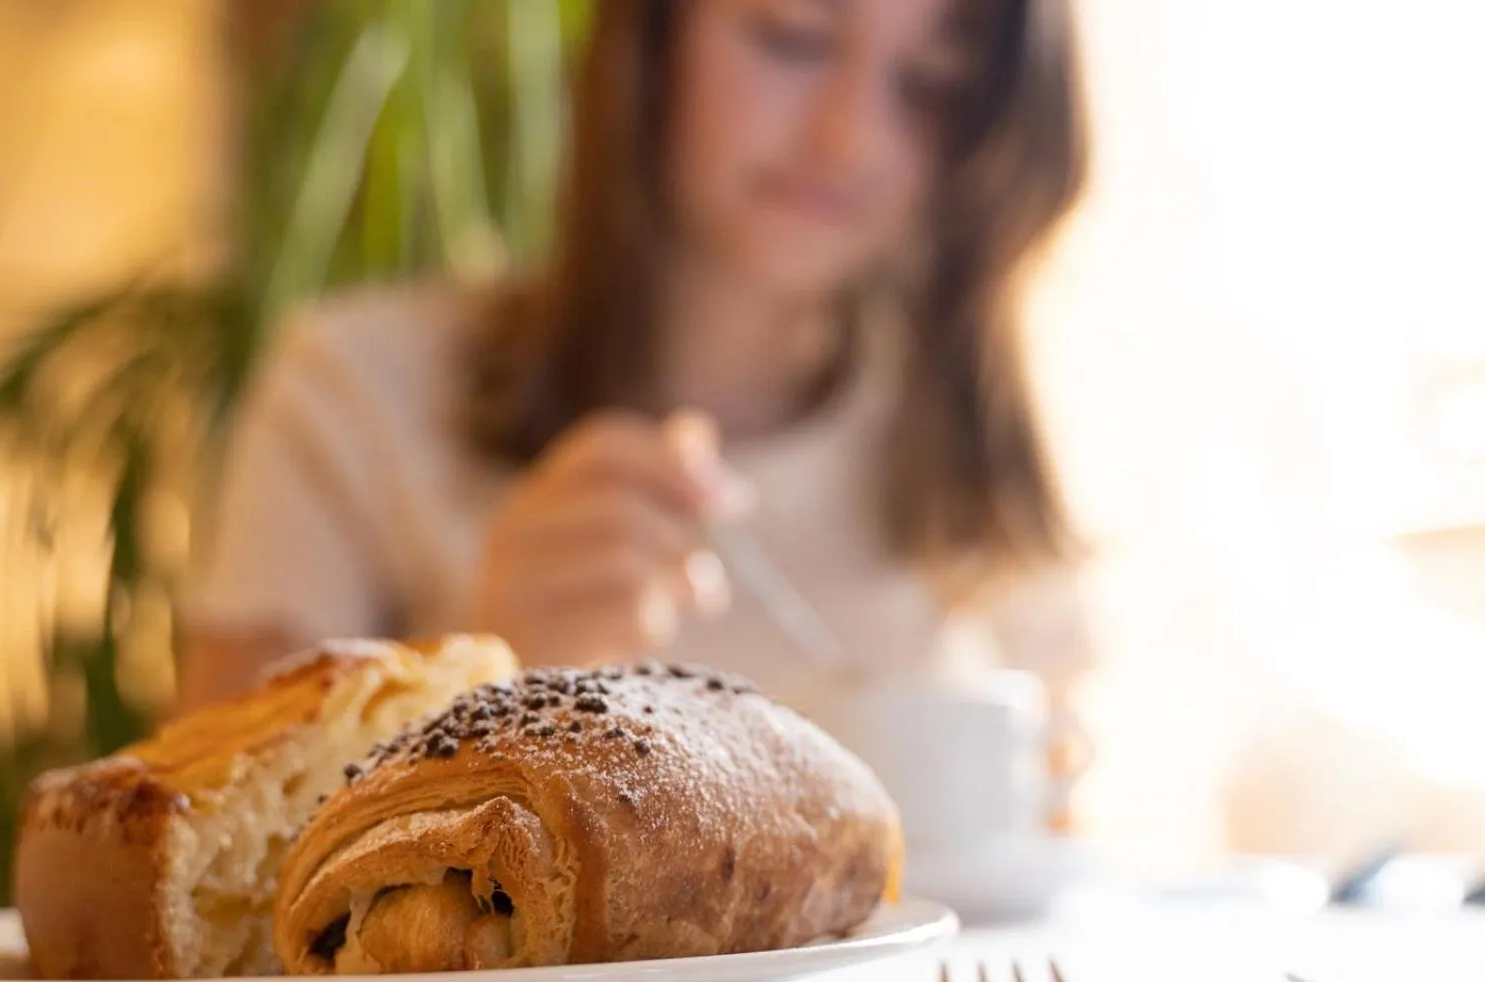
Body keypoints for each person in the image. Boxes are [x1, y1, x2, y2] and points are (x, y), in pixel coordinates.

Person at [182, 0, 1094, 726]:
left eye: (933, 82)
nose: (848, 137)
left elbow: (1060, 845)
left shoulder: (977, 461)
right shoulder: (353, 392)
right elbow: (202, 863)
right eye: (793, 38)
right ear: (651, 35)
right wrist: (482, 674)